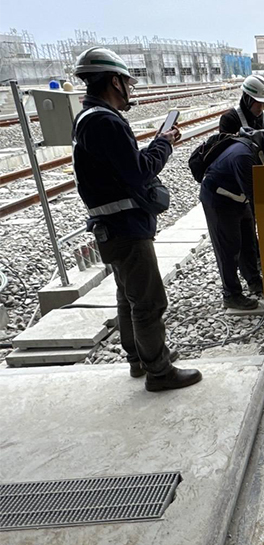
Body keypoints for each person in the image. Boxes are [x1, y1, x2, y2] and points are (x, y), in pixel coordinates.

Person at [72, 46, 202, 392]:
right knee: (148, 301)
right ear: (114, 81)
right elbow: (138, 172)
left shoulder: (90, 118)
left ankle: (138, 360)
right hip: (126, 229)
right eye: (127, 82)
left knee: (127, 296)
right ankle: (159, 371)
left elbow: (122, 169)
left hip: (112, 229)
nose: (130, 89)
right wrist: (162, 143)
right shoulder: (104, 121)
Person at [200, 120, 264, 309]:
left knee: (248, 242)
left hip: (238, 198)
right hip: (219, 199)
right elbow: (256, 197)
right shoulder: (244, 156)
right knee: (229, 248)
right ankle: (231, 295)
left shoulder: (261, 151)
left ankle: (254, 282)